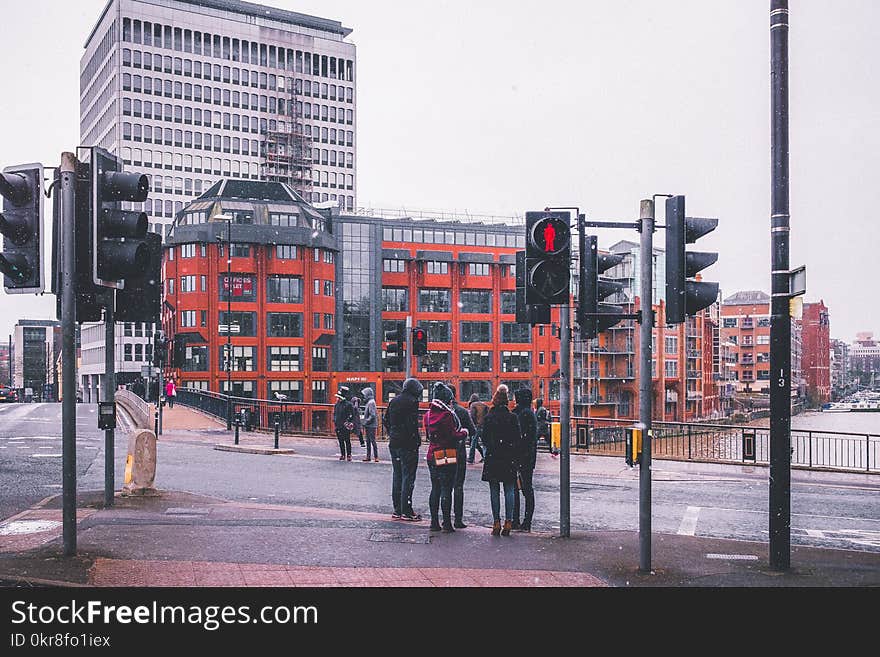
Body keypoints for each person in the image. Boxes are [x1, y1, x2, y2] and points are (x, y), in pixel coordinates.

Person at [424, 383, 468, 532]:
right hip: (446, 454)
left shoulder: (428, 414)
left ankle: (434, 522)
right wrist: (464, 433)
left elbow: (430, 434)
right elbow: (452, 436)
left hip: (432, 454)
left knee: (435, 488)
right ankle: (447, 523)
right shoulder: (447, 415)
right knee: (446, 488)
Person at [480, 384, 522, 536]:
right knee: (509, 489)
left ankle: (496, 522)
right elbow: (518, 439)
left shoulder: (489, 417)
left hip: (493, 457)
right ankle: (509, 522)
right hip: (508, 457)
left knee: (494, 490)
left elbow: (484, 439)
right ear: (507, 401)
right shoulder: (513, 418)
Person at [385, 377, 424, 521]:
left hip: (395, 443)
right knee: (408, 476)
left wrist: (393, 433)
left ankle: (397, 509)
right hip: (408, 444)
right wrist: (415, 440)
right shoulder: (412, 402)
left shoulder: (394, 401)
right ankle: (406, 510)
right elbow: (411, 425)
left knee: (397, 475)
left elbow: (386, 420)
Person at [448, 384, 476, 528]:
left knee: (443, 486)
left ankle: (443, 520)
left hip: (443, 452)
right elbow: (472, 430)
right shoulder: (462, 412)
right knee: (458, 486)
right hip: (458, 452)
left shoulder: (438, 411)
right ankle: (458, 520)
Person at [512, 387, 538, 532]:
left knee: (519, 489)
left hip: (520, 457)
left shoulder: (521, 414)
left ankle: (518, 520)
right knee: (527, 489)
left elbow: (518, 437)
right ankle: (526, 522)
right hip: (528, 456)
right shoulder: (529, 413)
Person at [333, 386, 356, 461]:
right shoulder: (338, 405)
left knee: (347, 440)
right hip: (339, 425)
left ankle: (348, 455)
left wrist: (348, 422)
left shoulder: (348, 405)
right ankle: (343, 454)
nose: (337, 399)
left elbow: (352, 415)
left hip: (345, 425)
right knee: (341, 441)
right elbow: (335, 414)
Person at [467, 393, 489, 463]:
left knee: (473, 443)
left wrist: (473, 425)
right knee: (484, 443)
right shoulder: (484, 405)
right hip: (484, 426)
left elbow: (472, 416)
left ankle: (471, 458)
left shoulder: (473, 405)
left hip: (476, 426)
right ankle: (485, 457)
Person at [361, 387, 380, 462]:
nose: (364, 396)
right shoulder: (370, 402)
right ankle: (369, 456)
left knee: (372, 441)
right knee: (369, 441)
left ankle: (375, 457)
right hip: (370, 425)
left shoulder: (371, 402)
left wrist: (365, 422)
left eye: (365, 395)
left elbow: (372, 415)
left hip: (371, 425)